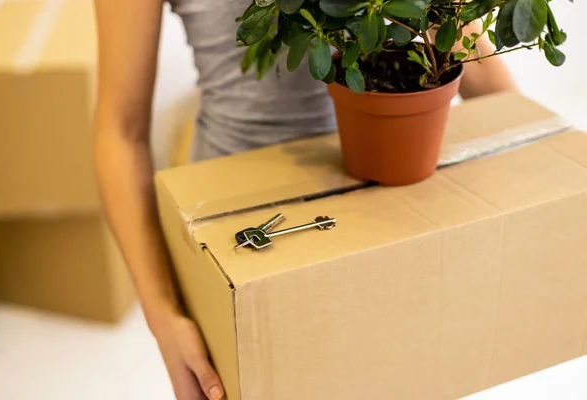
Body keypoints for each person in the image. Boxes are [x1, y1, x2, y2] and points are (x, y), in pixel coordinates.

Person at [93, 1, 517, 399]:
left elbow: (467, 61)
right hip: (235, 223)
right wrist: (162, 317)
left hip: (387, 208)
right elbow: (120, 131)